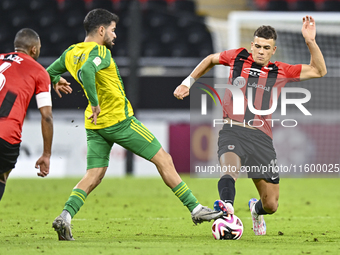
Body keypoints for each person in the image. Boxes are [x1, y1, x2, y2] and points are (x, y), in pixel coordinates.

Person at [47, 8, 222, 241]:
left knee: (94, 174)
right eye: (112, 30)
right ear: (101, 30)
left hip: (95, 125)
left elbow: (47, 71)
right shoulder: (100, 51)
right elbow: (89, 69)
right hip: (119, 121)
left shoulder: (71, 52)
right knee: (164, 159)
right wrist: (95, 102)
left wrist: (56, 79)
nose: (114, 35)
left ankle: (66, 215)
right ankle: (196, 209)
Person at [174, 16, 327, 236]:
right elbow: (210, 59)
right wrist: (187, 82)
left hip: (261, 139)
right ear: (251, 46)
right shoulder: (237, 57)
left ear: (273, 50)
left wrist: (310, 41)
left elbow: (319, 70)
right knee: (229, 170)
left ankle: (255, 210)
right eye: (257, 46)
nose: (261, 51)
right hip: (231, 131)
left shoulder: (281, 70)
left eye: (266, 48)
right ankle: (227, 208)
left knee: (271, 205)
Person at [0, 28, 53, 201]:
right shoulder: (39, 72)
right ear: (34, 50)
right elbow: (46, 116)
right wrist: (46, 154)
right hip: (6, 135)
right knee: (1, 177)